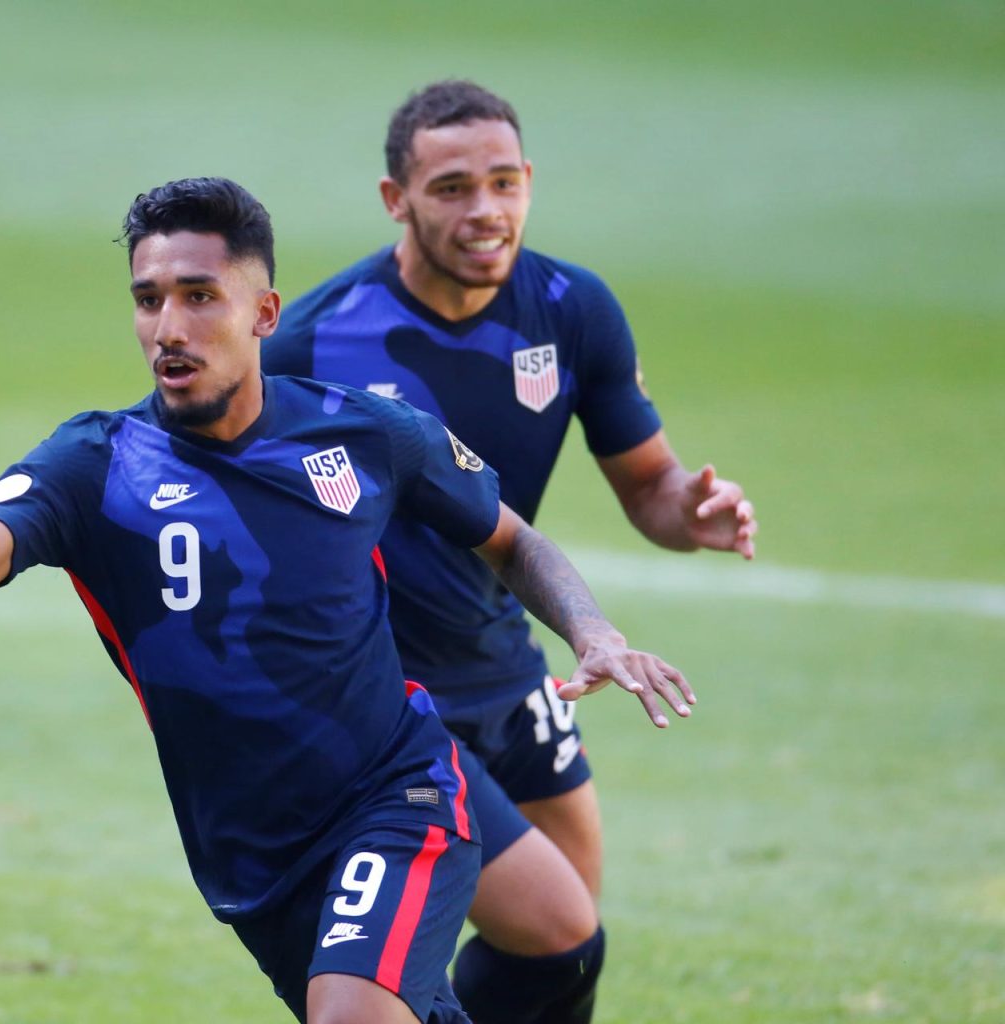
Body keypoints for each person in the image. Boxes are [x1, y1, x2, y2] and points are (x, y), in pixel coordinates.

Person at [0, 177, 694, 1024]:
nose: (169, 328)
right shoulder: (94, 465)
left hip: (397, 794)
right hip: (254, 857)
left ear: (264, 314)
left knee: (368, 1010)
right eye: (148, 300)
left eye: (199, 297)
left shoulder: (367, 431)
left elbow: (511, 537)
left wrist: (590, 629)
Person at [263, 81, 757, 1022]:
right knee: (546, 933)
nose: (485, 210)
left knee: (564, 947)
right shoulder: (314, 343)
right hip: (388, 698)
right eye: (451, 187)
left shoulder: (572, 310)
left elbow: (648, 484)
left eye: (503, 182)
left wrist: (687, 511)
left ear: (529, 180)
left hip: (505, 662)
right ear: (394, 199)